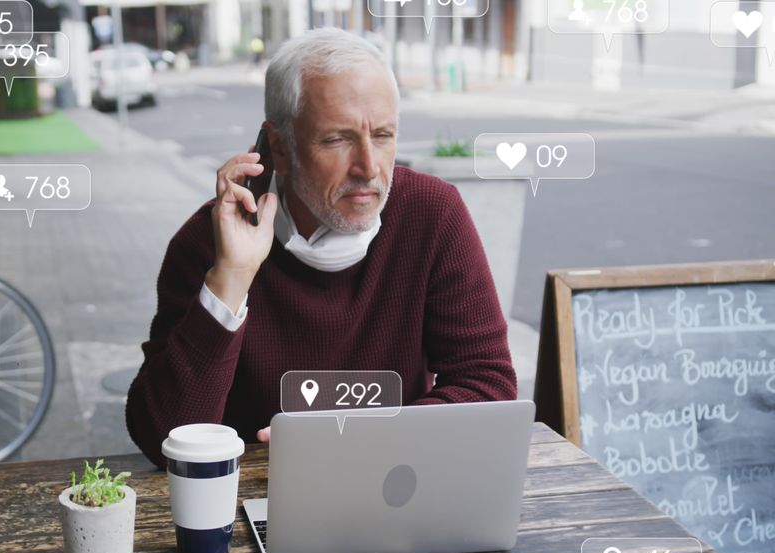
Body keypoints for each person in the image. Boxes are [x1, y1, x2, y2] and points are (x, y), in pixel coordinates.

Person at [125, 28, 516, 468]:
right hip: (252, 501)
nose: (369, 167)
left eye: (383, 135)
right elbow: (162, 437)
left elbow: (488, 385)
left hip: (394, 485)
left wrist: (356, 441)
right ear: (279, 148)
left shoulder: (430, 214)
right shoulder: (208, 243)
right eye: (337, 139)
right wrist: (230, 278)